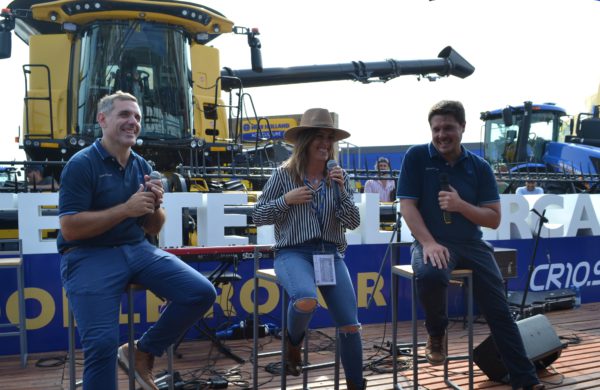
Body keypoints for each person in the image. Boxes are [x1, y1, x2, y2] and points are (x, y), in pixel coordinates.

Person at [57, 91, 217, 390]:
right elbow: (70, 229)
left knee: (201, 292)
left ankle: (141, 351)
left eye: (137, 117)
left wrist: (155, 205)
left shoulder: (143, 166)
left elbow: (152, 227)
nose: (133, 122)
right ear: (102, 120)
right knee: (102, 344)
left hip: (137, 249)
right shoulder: (82, 164)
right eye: (124, 115)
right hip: (89, 254)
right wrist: (125, 210)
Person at [397, 100, 545, 390]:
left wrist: (461, 205)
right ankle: (436, 334)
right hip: (433, 242)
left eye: (448, 128)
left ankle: (526, 381)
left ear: (462, 127)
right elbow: (407, 207)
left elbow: (493, 219)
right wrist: (427, 242)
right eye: (436, 129)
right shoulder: (416, 157)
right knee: (430, 275)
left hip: (472, 245)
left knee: (500, 312)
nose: (441, 135)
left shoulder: (480, 167)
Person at [252, 108, 366, 390]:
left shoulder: (339, 177)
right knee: (305, 299)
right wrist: (286, 201)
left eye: (329, 138)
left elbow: (352, 222)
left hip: (330, 253)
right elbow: (258, 216)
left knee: (350, 325)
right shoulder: (283, 175)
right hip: (293, 252)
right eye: (319, 137)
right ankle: (293, 344)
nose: (326, 143)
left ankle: (356, 384)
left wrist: (340, 192)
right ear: (305, 141)